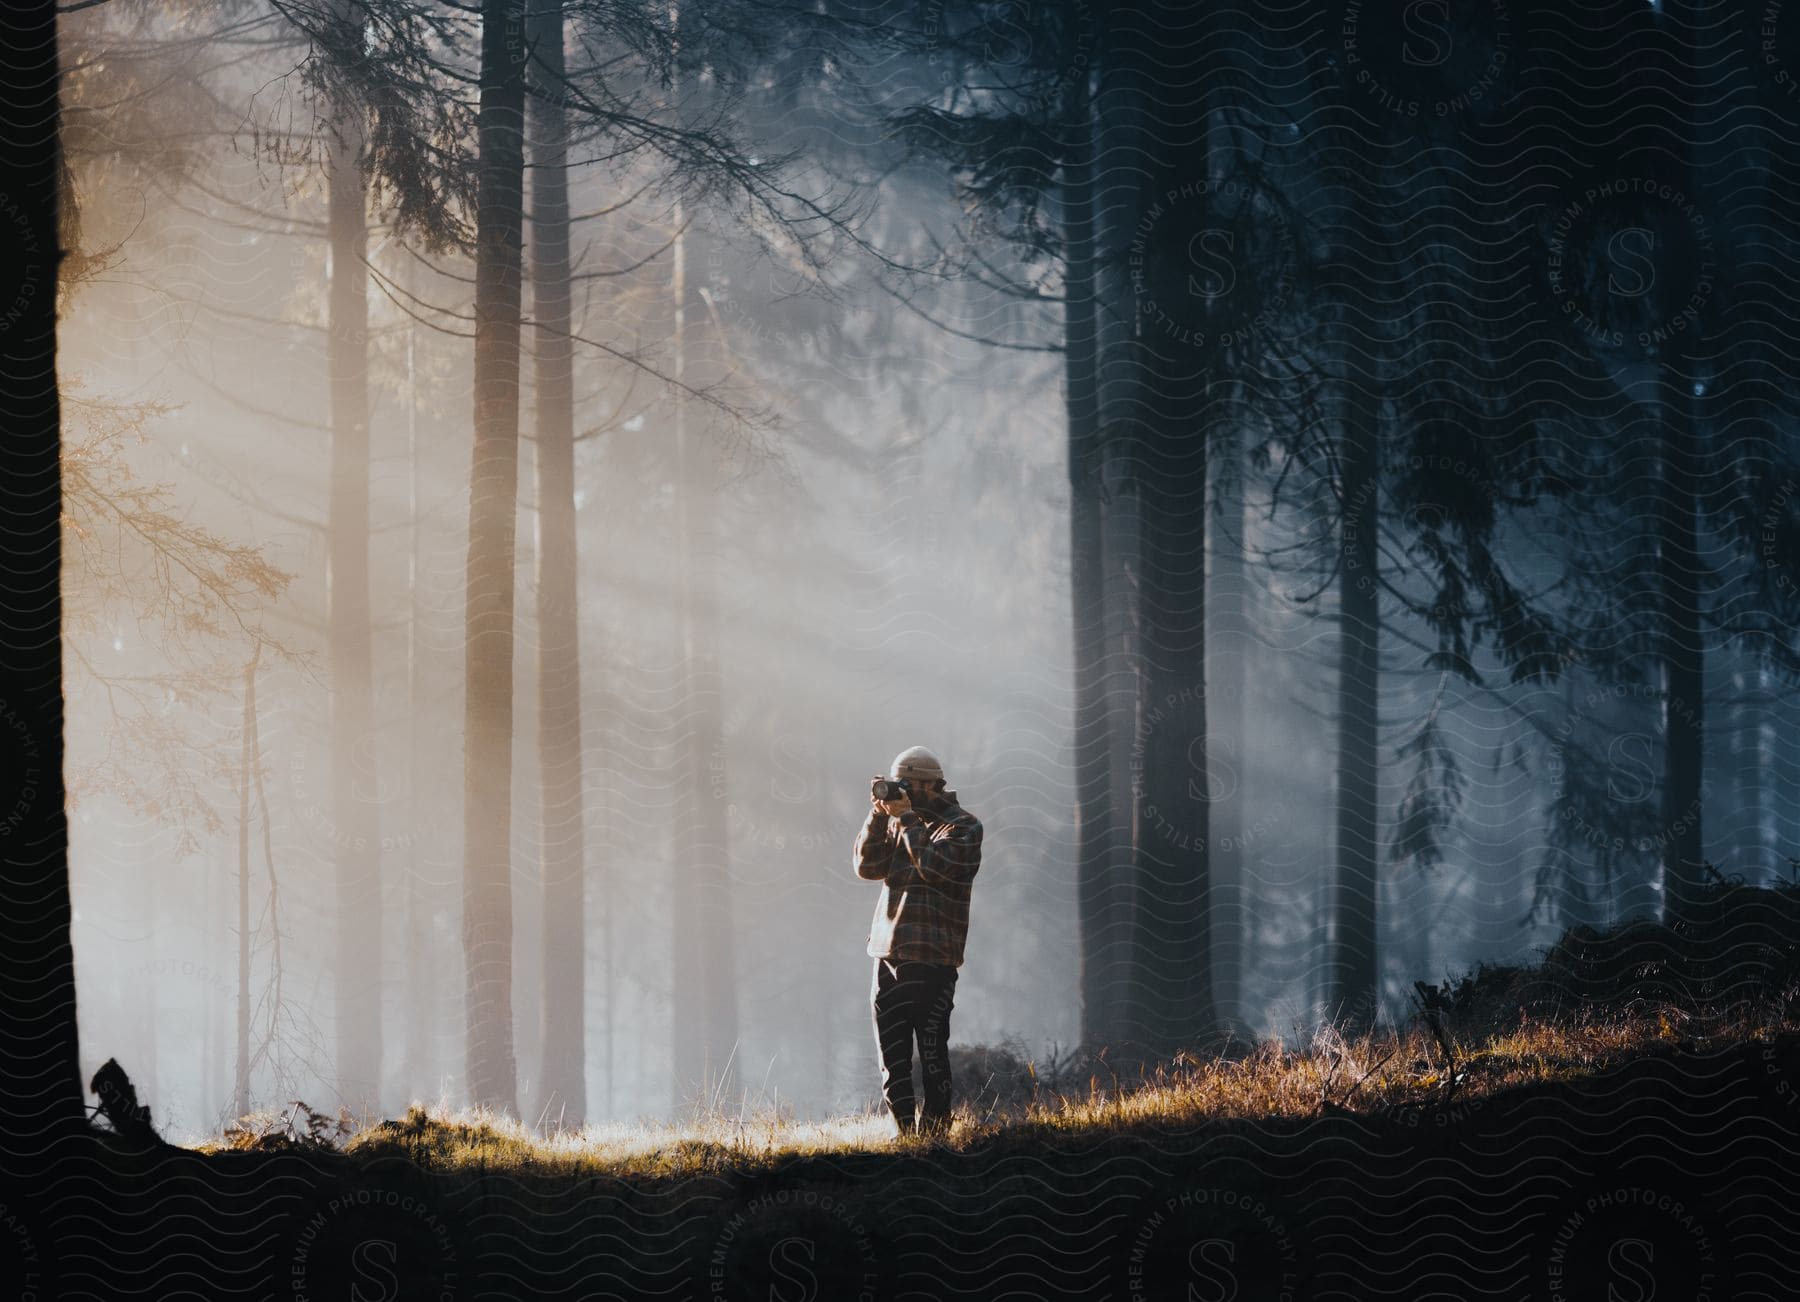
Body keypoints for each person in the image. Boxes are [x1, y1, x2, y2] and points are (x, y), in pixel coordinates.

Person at [853, 745, 983, 1139]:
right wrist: (878, 816)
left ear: (933, 784)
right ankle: (904, 1133)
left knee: (930, 1052)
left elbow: (934, 867)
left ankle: (937, 1132)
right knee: (891, 1056)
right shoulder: (896, 820)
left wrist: (906, 818)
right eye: (898, 784)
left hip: (933, 959)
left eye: (909, 784)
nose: (902, 791)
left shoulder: (963, 827)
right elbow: (865, 866)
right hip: (887, 953)